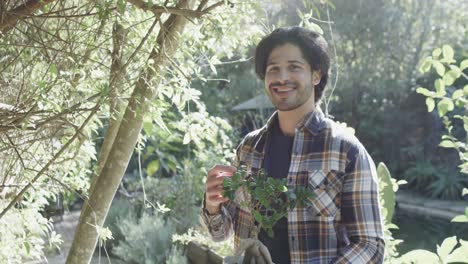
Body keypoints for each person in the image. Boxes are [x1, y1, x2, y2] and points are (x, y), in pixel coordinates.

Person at [201, 26, 385, 263]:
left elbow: (371, 246)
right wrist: (212, 205)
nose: (282, 77)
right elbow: (221, 232)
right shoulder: (249, 148)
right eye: (273, 69)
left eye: (294, 67)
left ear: (316, 75)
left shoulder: (345, 150)